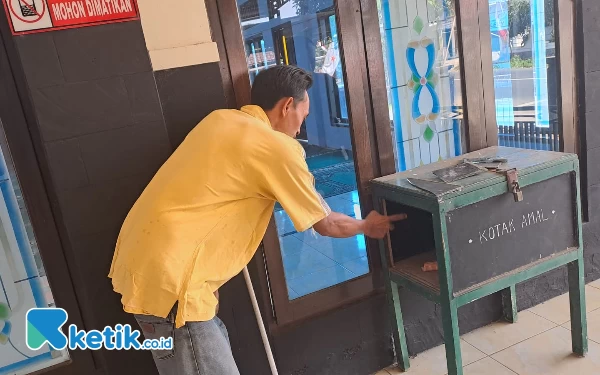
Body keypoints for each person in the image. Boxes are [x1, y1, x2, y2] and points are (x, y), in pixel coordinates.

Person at [108, 65, 406, 375]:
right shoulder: (276, 147)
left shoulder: (219, 120)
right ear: (286, 106)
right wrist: (364, 226)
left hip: (142, 266)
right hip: (174, 284)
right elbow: (326, 223)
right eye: (302, 116)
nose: (301, 129)